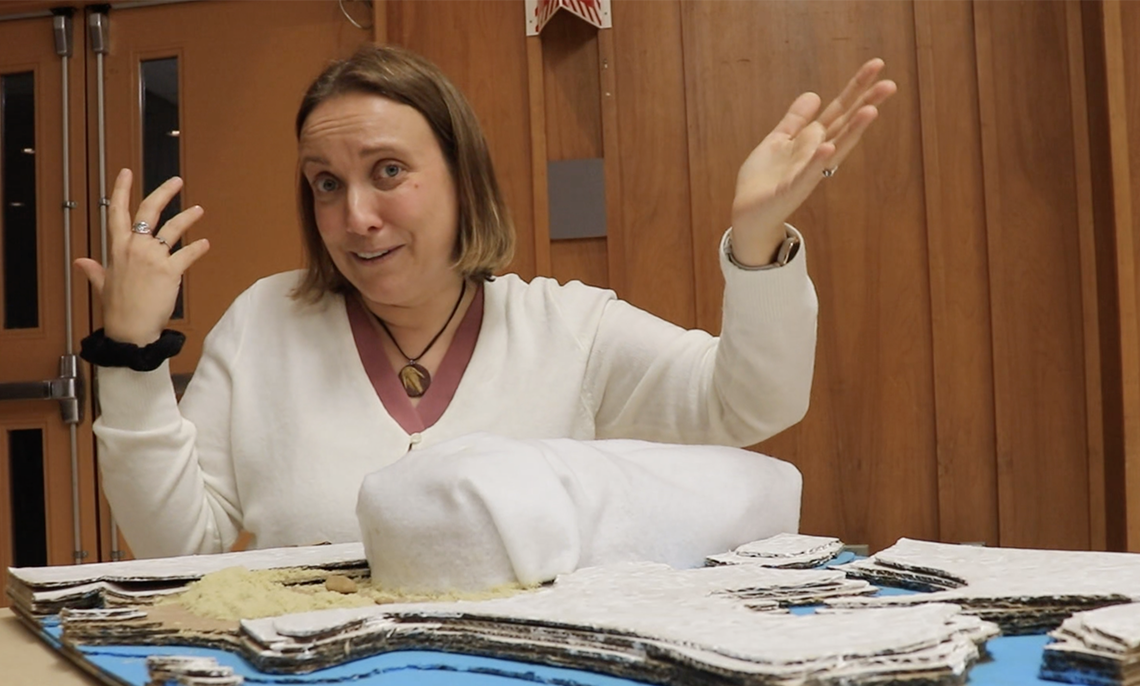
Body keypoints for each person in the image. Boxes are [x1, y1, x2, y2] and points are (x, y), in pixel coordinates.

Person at [75, 43, 896, 560]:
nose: (355, 216)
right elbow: (177, 546)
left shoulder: (568, 330)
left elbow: (751, 401)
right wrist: (132, 353)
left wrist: (756, 243)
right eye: (327, 184)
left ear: (463, 178)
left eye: (387, 172)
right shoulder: (263, 323)